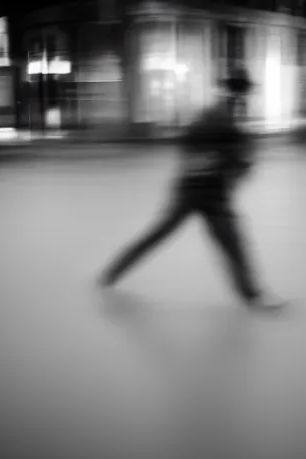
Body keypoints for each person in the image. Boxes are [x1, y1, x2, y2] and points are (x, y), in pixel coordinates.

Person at [98, 67, 286, 311]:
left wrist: (230, 161)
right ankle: (253, 296)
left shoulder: (215, 113)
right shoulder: (223, 117)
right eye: (244, 92)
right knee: (230, 243)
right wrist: (237, 161)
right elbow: (225, 152)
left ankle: (112, 272)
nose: (245, 98)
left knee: (163, 235)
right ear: (239, 91)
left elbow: (192, 145)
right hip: (205, 191)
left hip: (197, 188)